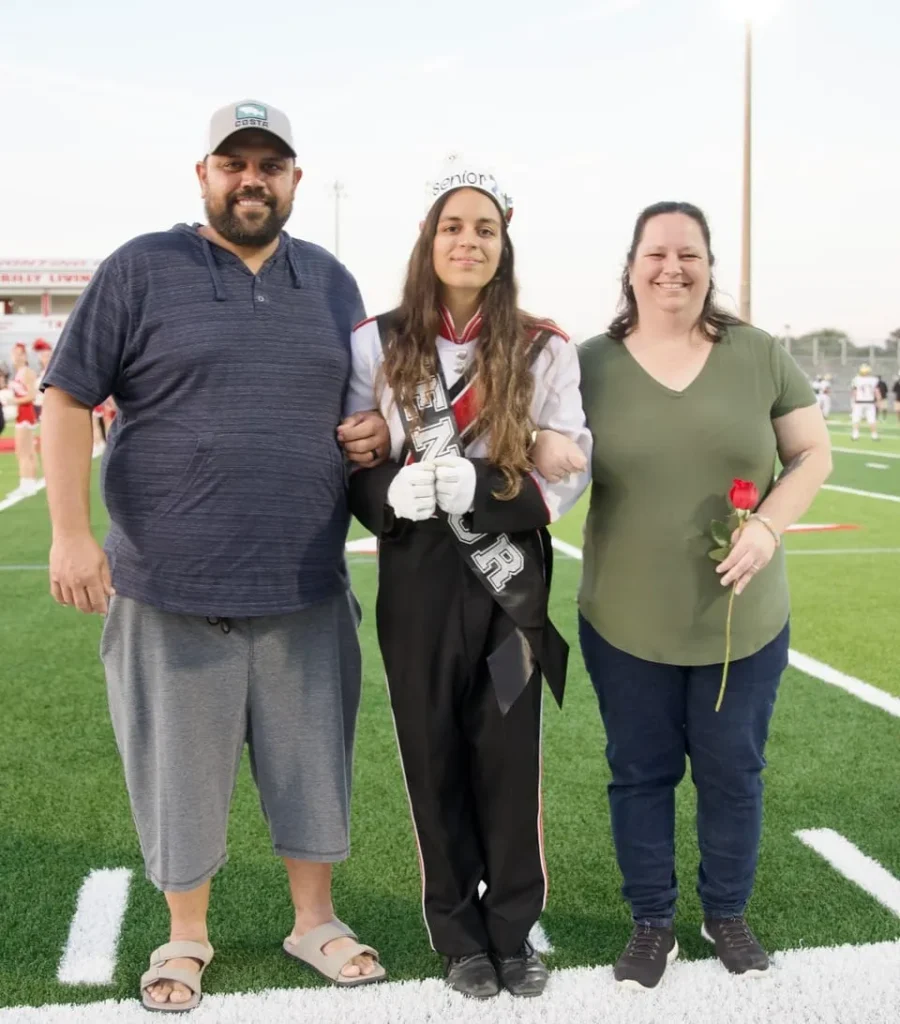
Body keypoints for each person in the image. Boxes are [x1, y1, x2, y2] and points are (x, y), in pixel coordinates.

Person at [40, 98, 391, 1013]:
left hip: (304, 583)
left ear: (294, 180)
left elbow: (363, 410)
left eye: (269, 166)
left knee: (313, 770)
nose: (251, 181)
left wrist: (371, 431)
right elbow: (67, 398)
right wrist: (71, 534)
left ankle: (314, 920)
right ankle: (186, 934)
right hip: (170, 587)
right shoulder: (140, 268)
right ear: (204, 174)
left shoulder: (333, 282)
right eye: (234, 164)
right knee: (178, 779)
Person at [345, 158, 591, 999]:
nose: (468, 241)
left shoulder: (545, 345)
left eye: (485, 228)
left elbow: (569, 466)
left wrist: (484, 488)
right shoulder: (374, 341)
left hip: (510, 580)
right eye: (453, 226)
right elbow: (353, 456)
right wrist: (389, 493)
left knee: (509, 757)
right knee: (432, 755)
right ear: (429, 238)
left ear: (503, 244)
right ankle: (458, 937)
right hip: (415, 575)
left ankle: (512, 933)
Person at [576, 201, 832, 990]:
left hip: (741, 622)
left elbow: (812, 453)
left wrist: (769, 527)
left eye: (689, 253)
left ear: (710, 266)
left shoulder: (757, 354)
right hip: (625, 619)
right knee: (639, 773)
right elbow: (548, 456)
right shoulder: (587, 364)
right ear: (631, 266)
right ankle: (652, 920)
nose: (672, 268)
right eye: (656, 253)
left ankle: (727, 913)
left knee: (732, 773)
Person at [7, 342, 40, 498]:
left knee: (23, 452)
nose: (15, 357)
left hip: (26, 413)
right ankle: (30, 483)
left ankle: (26, 484)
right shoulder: (18, 372)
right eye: (14, 354)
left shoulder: (27, 373)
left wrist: (13, 401)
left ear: (25, 356)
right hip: (22, 413)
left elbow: (31, 396)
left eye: (19, 354)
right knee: (27, 451)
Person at [849, 363, 879, 441]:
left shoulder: (856, 379)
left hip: (859, 401)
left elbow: (854, 392)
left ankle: (855, 435)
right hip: (870, 402)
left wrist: (853, 401)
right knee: (872, 419)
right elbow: (876, 391)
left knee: (856, 418)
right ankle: (874, 435)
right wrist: (879, 400)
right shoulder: (873, 379)